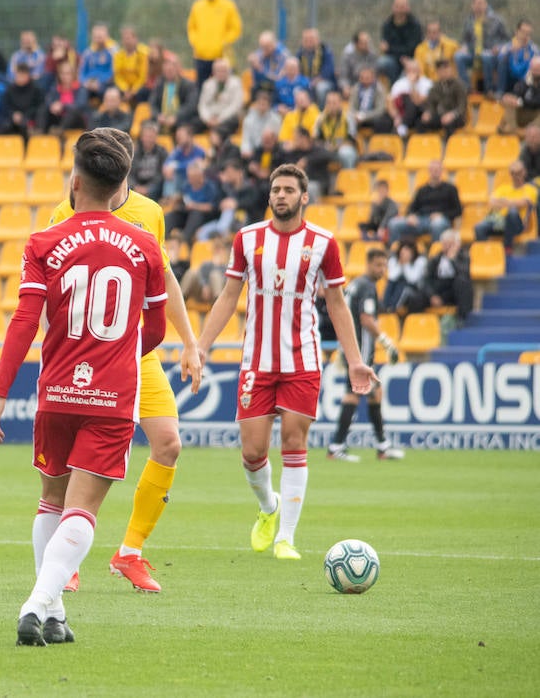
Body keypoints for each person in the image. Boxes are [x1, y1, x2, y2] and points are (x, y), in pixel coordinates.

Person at [0, 128, 167, 646]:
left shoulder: (44, 241)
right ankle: (38, 602)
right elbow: (154, 329)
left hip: (57, 389)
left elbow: (24, 321)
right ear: (118, 190)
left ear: (75, 181)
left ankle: (56, 611)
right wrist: (120, 355)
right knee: (84, 509)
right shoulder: (145, 245)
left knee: (51, 500)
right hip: (112, 394)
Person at [43, 128, 204, 595]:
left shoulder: (149, 213)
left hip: (136, 353)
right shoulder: (64, 212)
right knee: (77, 455)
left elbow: (166, 280)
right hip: (83, 356)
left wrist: (189, 343)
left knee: (169, 444)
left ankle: (128, 553)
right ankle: (66, 560)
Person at [196, 163, 376, 562]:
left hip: (302, 359)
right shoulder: (246, 239)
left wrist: (355, 361)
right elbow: (228, 296)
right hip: (256, 361)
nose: (280, 195)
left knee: (295, 443)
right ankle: (269, 508)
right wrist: (201, 347)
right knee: (252, 452)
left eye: (289, 190)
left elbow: (337, 303)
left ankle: (287, 538)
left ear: (304, 197)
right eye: (276, 189)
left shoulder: (324, 243)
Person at [326, 248, 405, 463]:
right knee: (353, 395)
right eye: (378, 265)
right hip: (360, 352)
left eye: (384, 265)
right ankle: (336, 447)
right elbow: (366, 319)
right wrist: (387, 343)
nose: (381, 270)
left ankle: (382, 446)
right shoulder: (368, 287)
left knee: (375, 393)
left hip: (351, 348)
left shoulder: (356, 284)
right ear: (368, 264)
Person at [187, 0, 242, 88]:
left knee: (223, 87)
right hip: (201, 56)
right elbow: (191, 28)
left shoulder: (228, 5)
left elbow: (235, 28)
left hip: (221, 56)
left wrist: (224, 42)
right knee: (201, 88)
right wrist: (196, 43)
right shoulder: (198, 6)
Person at [386, 160, 462, 244]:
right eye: (432, 170)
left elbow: (458, 210)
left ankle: (435, 254)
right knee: (393, 223)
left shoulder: (450, 189)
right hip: (420, 220)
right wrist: (411, 216)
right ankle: (395, 254)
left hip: (441, 221)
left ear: (441, 171)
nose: (434, 172)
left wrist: (442, 215)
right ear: (429, 171)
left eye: (437, 170)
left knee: (437, 224)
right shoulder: (422, 190)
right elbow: (411, 208)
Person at [455, 0, 508, 95]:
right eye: (477, 3)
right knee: (458, 56)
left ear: (486, 4)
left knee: (486, 56)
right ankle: (467, 88)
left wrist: (499, 47)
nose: (479, 6)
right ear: (472, 5)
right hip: (473, 53)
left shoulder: (496, 20)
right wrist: (464, 47)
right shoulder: (469, 21)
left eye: (482, 3)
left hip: (491, 53)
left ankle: (489, 90)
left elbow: (507, 40)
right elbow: (465, 40)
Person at [475, 160, 535, 250]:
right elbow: (491, 202)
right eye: (513, 173)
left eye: (519, 172)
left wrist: (503, 202)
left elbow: (523, 203)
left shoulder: (530, 189)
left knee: (512, 212)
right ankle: (485, 253)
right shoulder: (503, 188)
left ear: (524, 172)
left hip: (518, 224)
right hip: (499, 221)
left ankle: (508, 248)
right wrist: (511, 203)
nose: (516, 176)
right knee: (479, 227)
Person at [425, 229, 473, 319]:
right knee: (417, 296)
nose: (447, 247)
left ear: (457, 244)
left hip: (454, 291)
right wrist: (432, 295)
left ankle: (463, 319)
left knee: (462, 282)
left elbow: (464, 274)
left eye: (450, 244)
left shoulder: (464, 257)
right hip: (440, 290)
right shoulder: (435, 259)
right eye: (444, 244)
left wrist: (452, 260)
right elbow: (427, 279)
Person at [379, 0, 424, 82]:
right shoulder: (387, 26)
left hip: (411, 58)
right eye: (397, 6)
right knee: (382, 62)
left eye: (402, 7)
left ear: (408, 8)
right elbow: (385, 48)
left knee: (410, 69)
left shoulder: (415, 26)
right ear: (393, 7)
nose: (400, 10)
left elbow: (413, 47)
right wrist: (399, 55)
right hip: (393, 59)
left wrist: (391, 49)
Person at [418, 58, 468, 136]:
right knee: (422, 121)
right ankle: (424, 146)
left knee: (449, 123)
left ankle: (450, 146)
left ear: (451, 70)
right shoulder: (436, 86)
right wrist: (428, 112)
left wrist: (452, 115)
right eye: (441, 71)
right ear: (437, 72)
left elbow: (462, 106)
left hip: (457, 116)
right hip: (441, 115)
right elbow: (430, 103)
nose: (444, 73)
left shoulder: (459, 85)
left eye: (446, 70)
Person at [197, 58, 245, 137]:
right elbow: (202, 105)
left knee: (225, 127)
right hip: (210, 117)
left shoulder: (236, 83)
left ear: (229, 71)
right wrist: (208, 118)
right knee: (189, 126)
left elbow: (235, 106)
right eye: (218, 70)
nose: (221, 73)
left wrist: (219, 119)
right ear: (213, 72)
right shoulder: (208, 84)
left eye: (224, 70)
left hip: (227, 118)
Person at [181, 233, 231, 306]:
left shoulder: (227, 266)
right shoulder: (206, 264)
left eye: (220, 249)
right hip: (201, 293)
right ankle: (181, 301)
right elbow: (201, 274)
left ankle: (218, 307)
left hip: (218, 296)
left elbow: (226, 283)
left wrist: (217, 266)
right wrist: (205, 285)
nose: (217, 251)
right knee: (191, 272)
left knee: (215, 275)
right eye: (216, 248)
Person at [296, 28, 337, 105]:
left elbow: (329, 70)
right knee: (297, 89)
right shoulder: (300, 53)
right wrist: (304, 81)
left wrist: (317, 80)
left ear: (317, 39)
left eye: (311, 39)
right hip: (306, 81)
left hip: (324, 81)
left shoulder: (325, 51)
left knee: (320, 88)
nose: (308, 41)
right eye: (306, 39)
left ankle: (320, 113)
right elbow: (297, 70)